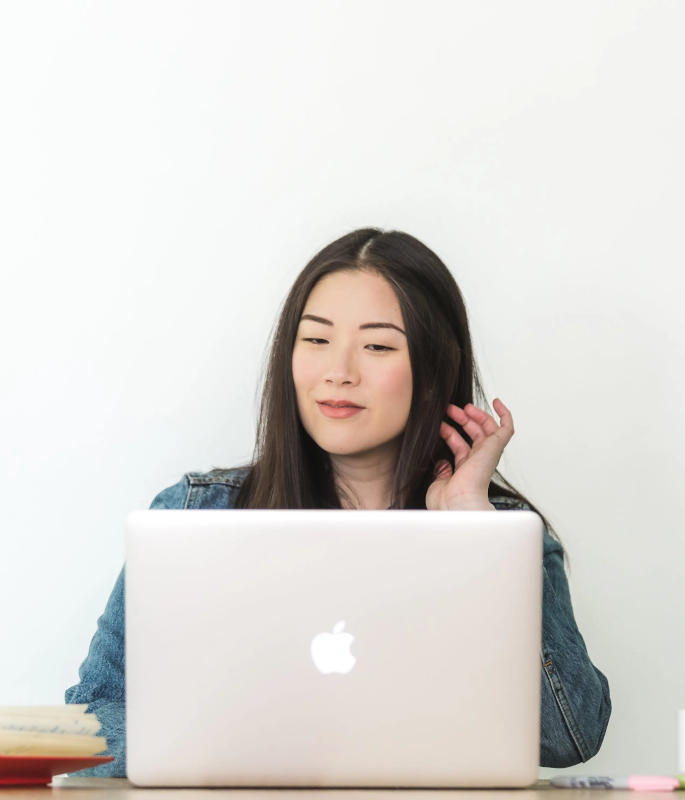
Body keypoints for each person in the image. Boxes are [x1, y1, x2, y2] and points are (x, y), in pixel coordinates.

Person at [65, 227, 611, 776]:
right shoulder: (193, 515)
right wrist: (263, 745)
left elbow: (570, 735)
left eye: (377, 346)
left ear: (433, 372)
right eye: (316, 339)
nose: (339, 372)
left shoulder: (499, 531)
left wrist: (475, 530)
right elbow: (87, 726)